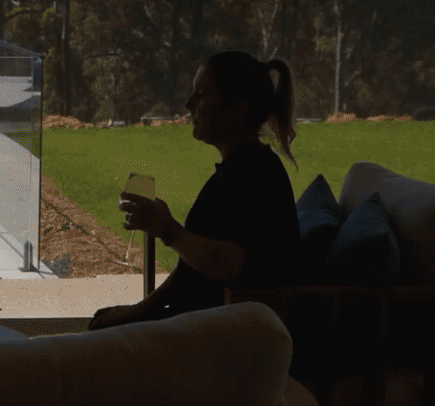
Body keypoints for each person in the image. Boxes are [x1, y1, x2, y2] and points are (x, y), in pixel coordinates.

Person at [89, 52, 300, 330]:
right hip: (206, 323)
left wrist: (168, 230)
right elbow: (192, 269)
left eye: (201, 95)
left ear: (237, 109)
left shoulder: (253, 178)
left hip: (221, 335)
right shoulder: (243, 169)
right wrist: (140, 309)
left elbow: (227, 264)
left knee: (96, 334)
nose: (189, 104)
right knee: (102, 324)